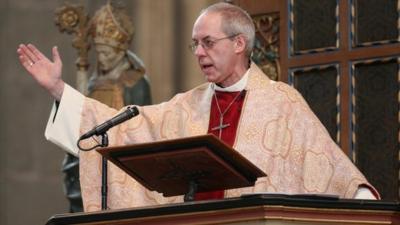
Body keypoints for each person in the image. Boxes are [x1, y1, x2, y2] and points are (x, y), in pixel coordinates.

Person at [17, 2, 379, 212]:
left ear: (240, 43)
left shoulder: (282, 102)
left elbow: (325, 162)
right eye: (195, 45)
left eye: (208, 42)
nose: (200, 53)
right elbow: (123, 130)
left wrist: (361, 201)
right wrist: (60, 90)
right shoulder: (186, 106)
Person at [61, 2, 152, 212]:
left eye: (108, 53)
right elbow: (81, 118)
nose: (103, 57)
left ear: (121, 51)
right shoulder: (93, 82)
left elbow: (141, 125)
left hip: (118, 159)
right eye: (100, 52)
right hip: (90, 152)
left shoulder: (135, 81)